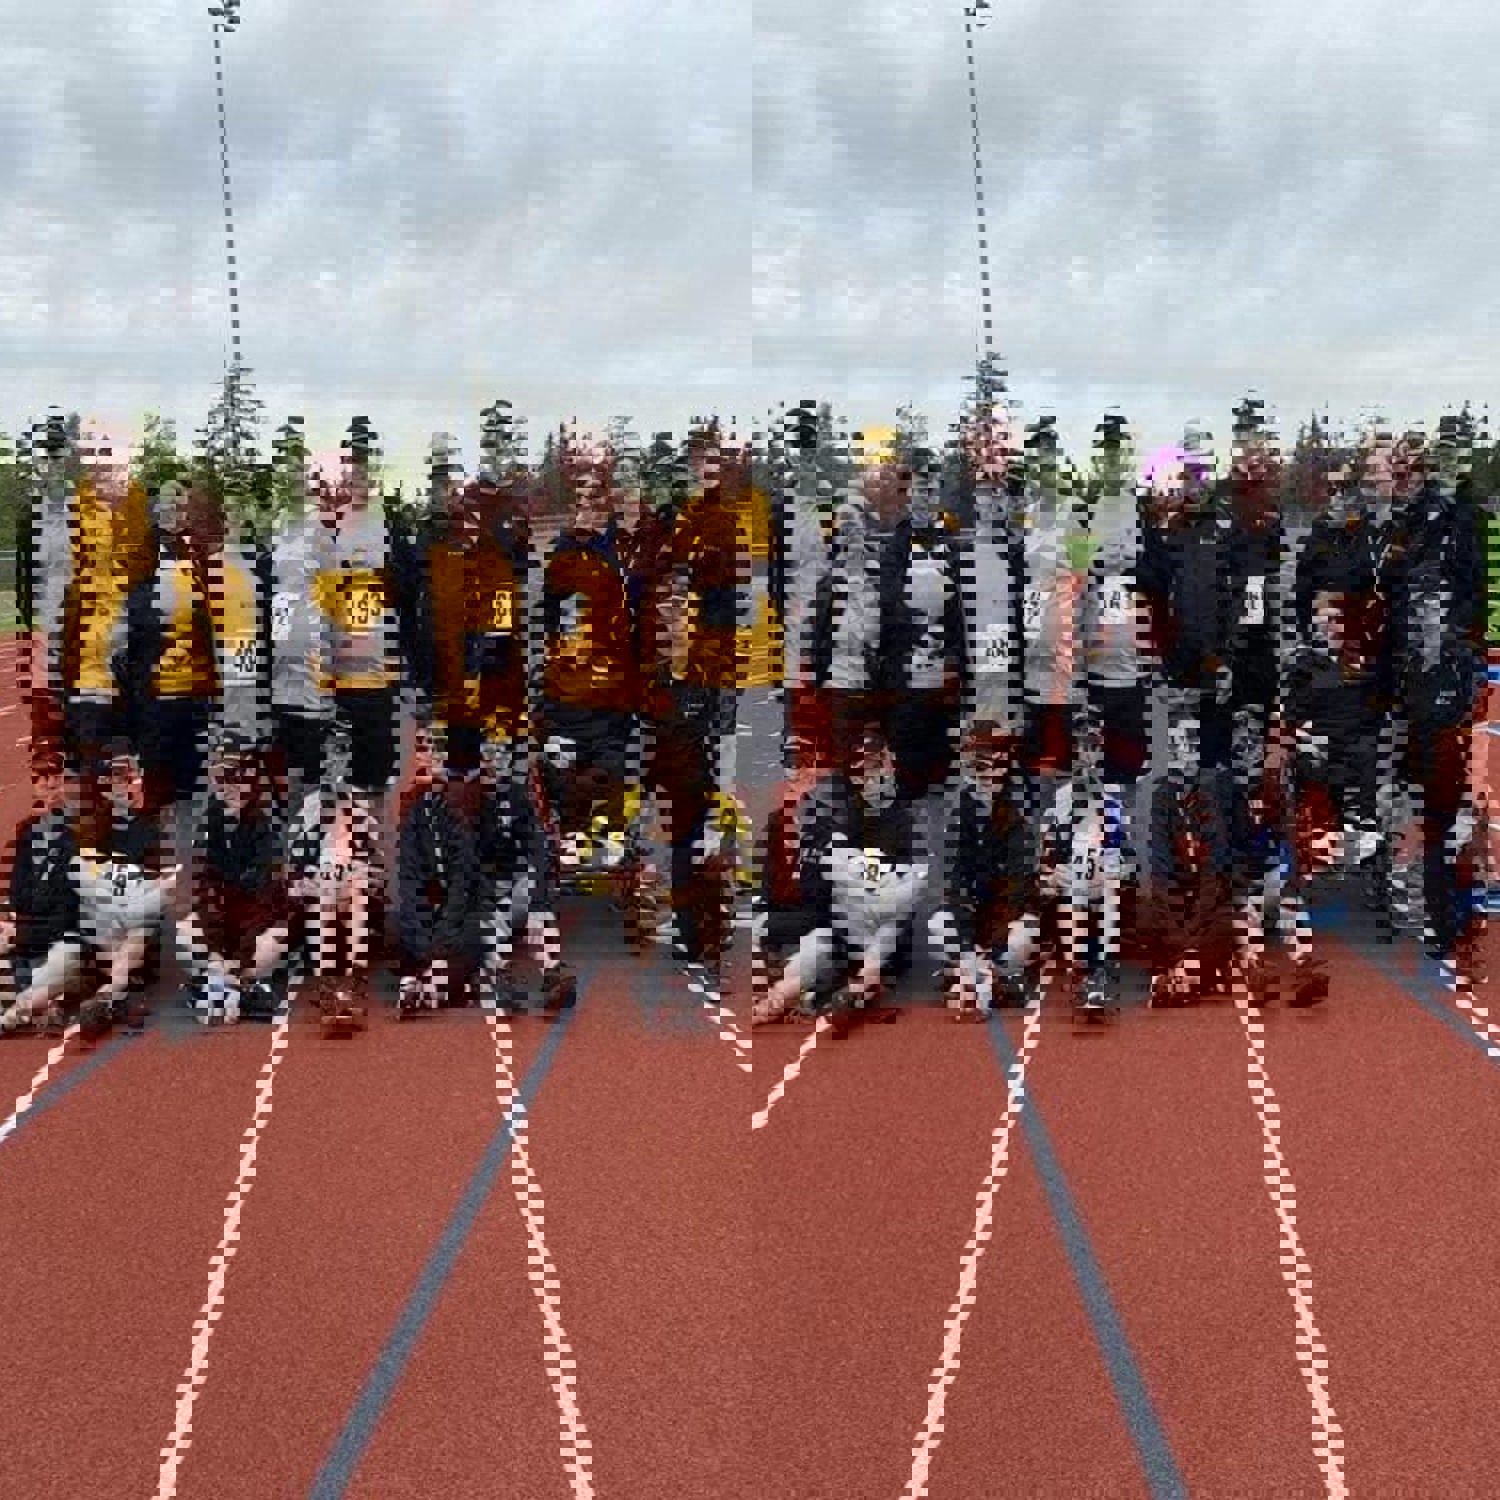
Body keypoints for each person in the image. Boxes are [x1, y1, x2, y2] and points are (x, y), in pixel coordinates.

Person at [752, 725, 922, 1038]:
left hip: (884, 930)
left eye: (875, 766)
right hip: (840, 924)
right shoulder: (840, 817)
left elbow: (902, 891)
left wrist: (864, 877)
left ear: (889, 763)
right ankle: (776, 1000)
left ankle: (854, 992)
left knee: (876, 947)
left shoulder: (903, 821)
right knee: (813, 951)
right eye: (861, 771)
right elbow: (828, 879)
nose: (869, 778)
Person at [929, 720, 1043, 1019]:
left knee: (1023, 937)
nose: (978, 768)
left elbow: (1019, 887)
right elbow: (953, 880)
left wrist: (988, 945)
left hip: (1008, 919)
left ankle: (974, 977)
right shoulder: (963, 807)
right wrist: (971, 944)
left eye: (984, 758)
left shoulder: (1020, 808)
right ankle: (992, 979)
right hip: (974, 921)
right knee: (937, 927)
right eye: (974, 760)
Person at [178, 738, 293, 1024]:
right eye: (222, 778)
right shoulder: (210, 821)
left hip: (259, 926)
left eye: (237, 778)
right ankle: (238, 987)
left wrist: (238, 960)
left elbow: (264, 904)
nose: (229, 787)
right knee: (184, 932)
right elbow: (204, 891)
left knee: (273, 942)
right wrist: (216, 952)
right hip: (224, 927)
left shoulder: (267, 825)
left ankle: (221, 984)